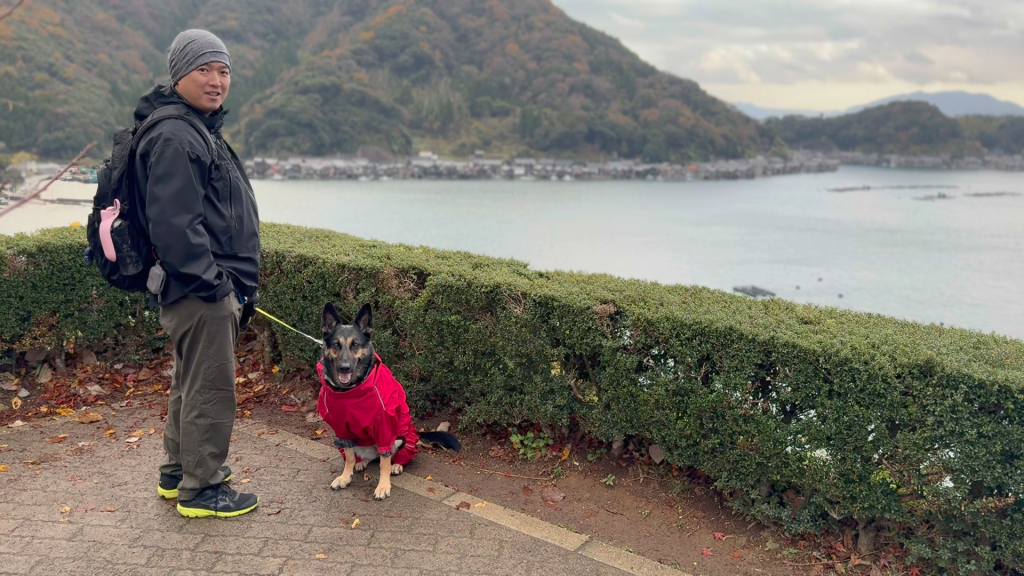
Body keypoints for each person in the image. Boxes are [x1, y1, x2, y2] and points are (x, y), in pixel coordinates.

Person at [133, 29, 260, 518]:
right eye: (203, 69)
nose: (216, 80)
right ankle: (201, 490)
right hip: (200, 289)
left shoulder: (194, 127)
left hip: (197, 287)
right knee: (209, 389)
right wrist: (216, 285)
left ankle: (176, 473)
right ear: (179, 75)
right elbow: (175, 226)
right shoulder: (177, 134)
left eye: (223, 70)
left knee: (190, 383)